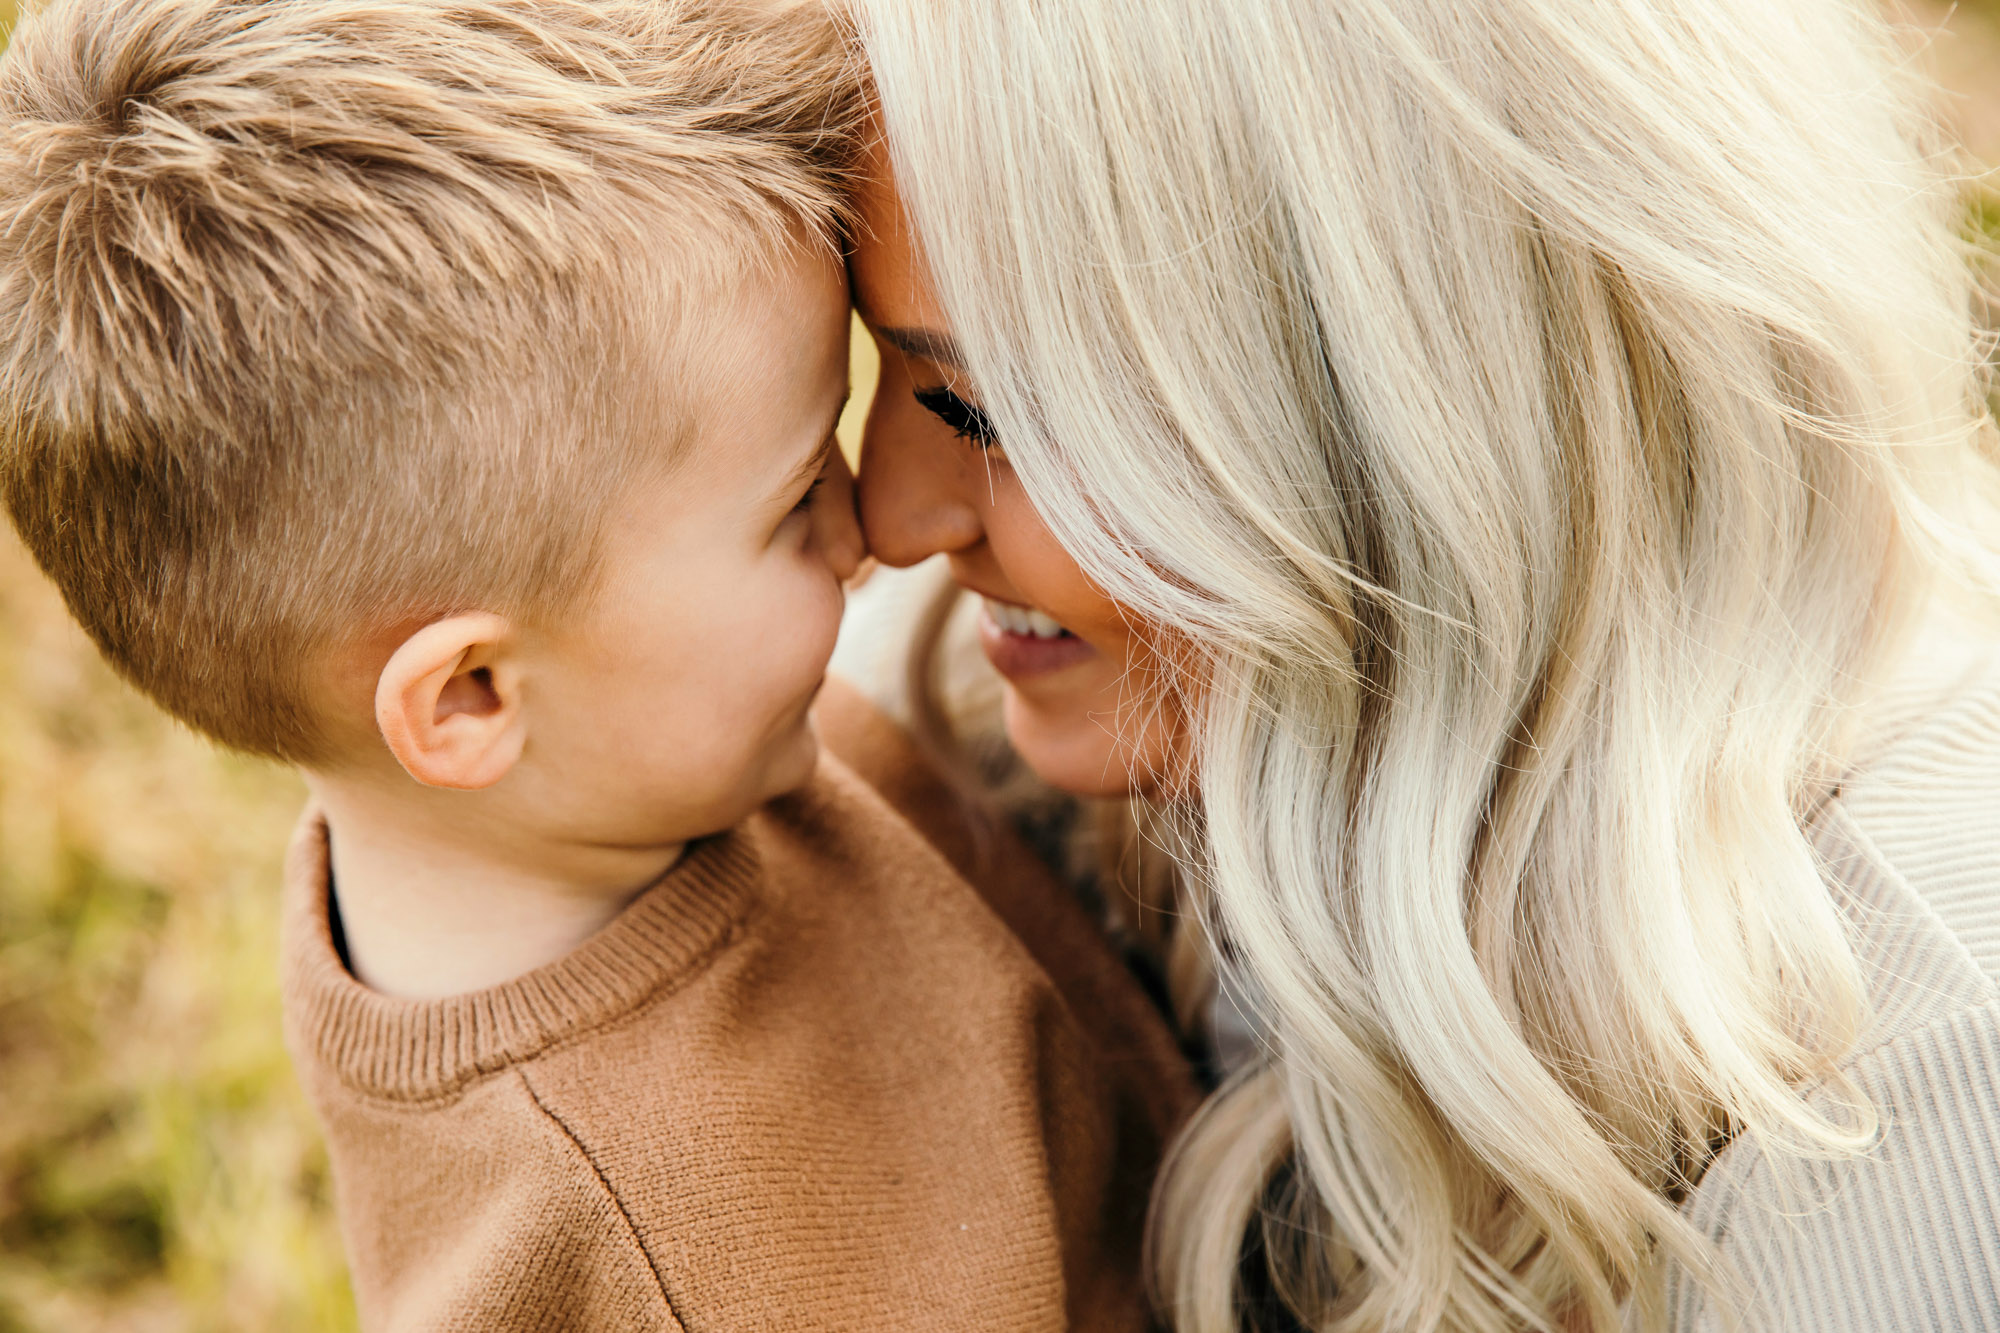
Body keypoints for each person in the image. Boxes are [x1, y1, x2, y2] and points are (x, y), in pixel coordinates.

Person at [0, 0, 1195, 1327]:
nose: (872, 529)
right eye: (796, 500)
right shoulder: (720, 1252)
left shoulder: (556, 810)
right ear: (471, 696)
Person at [842, 0, 2000, 1329]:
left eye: (984, 410)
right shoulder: (1004, 712)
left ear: (1408, 424)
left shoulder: (1928, 1085)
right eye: (890, 372)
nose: (891, 519)